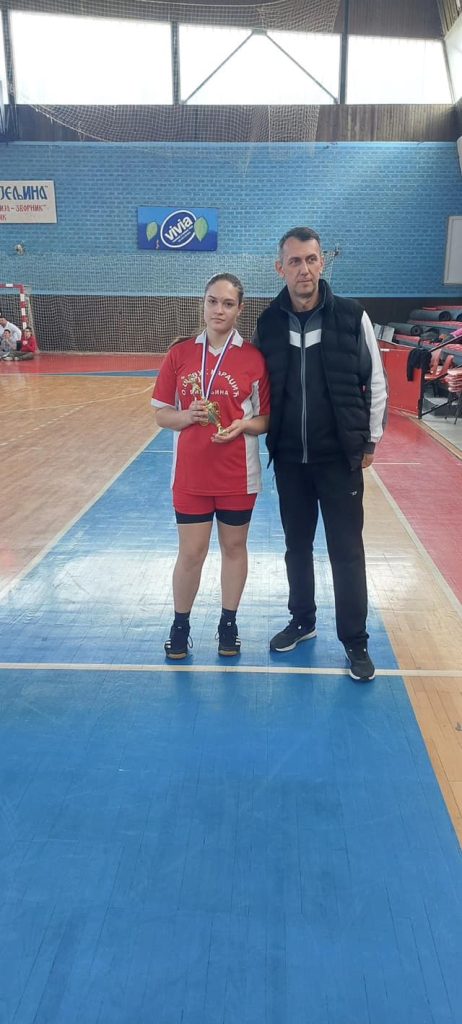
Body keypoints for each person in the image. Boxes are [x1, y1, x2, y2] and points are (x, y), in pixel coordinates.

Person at [253, 227, 388, 682]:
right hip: (290, 460)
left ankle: (355, 639)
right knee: (297, 548)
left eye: (311, 259)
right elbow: (259, 388)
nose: (304, 269)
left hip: (338, 459)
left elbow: (376, 381)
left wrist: (369, 440)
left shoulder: (352, 316)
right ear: (281, 268)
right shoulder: (269, 323)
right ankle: (302, 620)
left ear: (322, 262)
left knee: (346, 551)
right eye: (294, 261)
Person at [152, 273, 270, 660]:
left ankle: (228, 624)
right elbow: (161, 414)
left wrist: (243, 426)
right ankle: (180, 625)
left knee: (234, 548)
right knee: (191, 553)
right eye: (212, 301)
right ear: (202, 304)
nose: (219, 310)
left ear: (240, 309)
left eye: (228, 303)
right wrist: (187, 416)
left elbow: (265, 419)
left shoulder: (253, 358)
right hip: (191, 476)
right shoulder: (180, 353)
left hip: (238, 475)